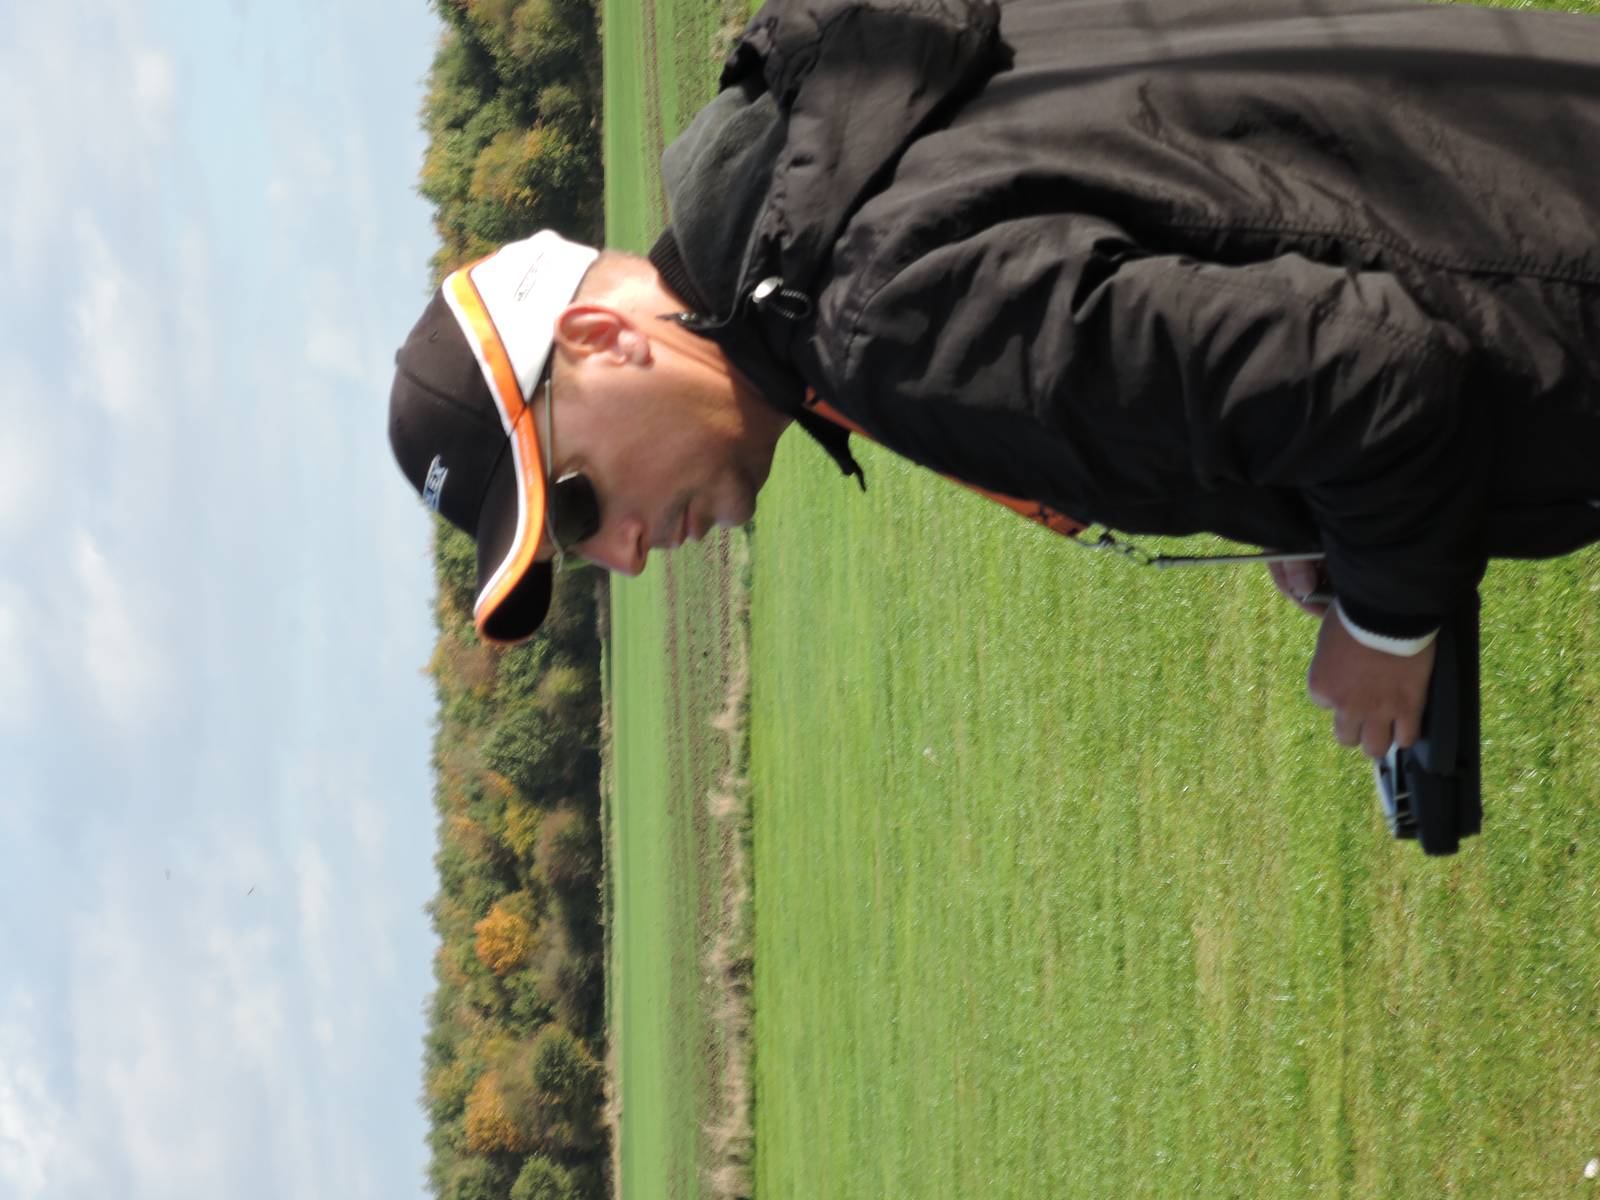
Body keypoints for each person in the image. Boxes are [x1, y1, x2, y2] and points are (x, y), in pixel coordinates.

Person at [389, 0, 1600, 759]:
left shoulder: (878, 317)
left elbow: (1381, 380)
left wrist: (1384, 627)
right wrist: (1276, 481)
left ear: (600, 336)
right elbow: (1217, 192)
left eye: (578, 501)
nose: (624, 557)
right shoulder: (850, 98)